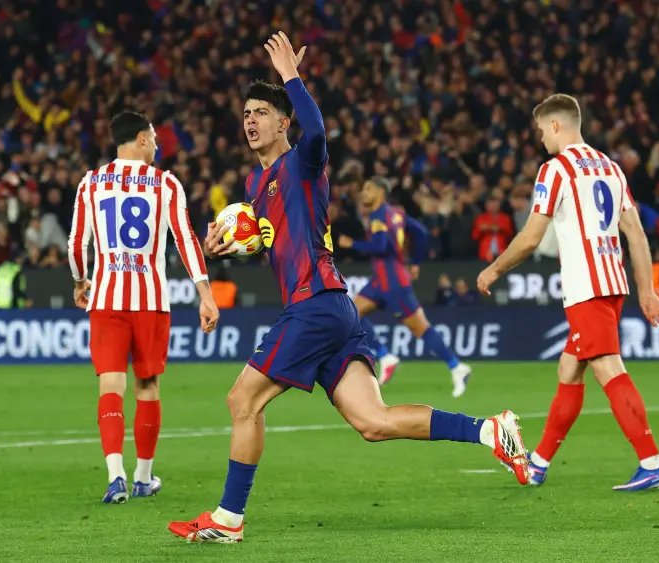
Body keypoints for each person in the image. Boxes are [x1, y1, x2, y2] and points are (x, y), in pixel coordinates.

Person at [167, 32, 529, 545]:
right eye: (246, 113)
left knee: (242, 400)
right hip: (332, 308)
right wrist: (226, 249)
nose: (250, 120)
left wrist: (291, 77)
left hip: (313, 305)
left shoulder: (303, 160)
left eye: (262, 112)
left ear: (283, 122)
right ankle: (492, 430)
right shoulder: (253, 185)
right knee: (374, 422)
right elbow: (270, 237)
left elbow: (316, 129)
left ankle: (228, 520)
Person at [477, 94, 659, 491]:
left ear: (555, 125)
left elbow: (531, 237)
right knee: (569, 368)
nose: (540, 139)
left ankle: (652, 462)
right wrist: (646, 290)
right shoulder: (610, 167)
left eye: (540, 131)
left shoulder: (555, 170)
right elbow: (635, 233)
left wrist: (494, 268)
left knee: (608, 368)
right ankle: (538, 463)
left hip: (586, 287)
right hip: (612, 283)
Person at [67, 111, 219, 504]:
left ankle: (114, 476)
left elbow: (77, 244)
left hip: (107, 299)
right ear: (140, 139)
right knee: (147, 386)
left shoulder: (91, 182)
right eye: (153, 137)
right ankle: (143, 477)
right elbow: (185, 239)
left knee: (110, 385)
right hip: (150, 301)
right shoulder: (165, 184)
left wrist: (81, 281)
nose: (156, 144)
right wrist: (205, 294)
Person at [337, 177, 472, 394]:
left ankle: (457, 367)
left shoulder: (378, 216)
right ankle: (385, 356)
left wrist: (352, 243)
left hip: (393, 283)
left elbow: (379, 246)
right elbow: (421, 232)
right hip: (381, 280)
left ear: (380, 193)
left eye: (368, 189)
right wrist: (416, 262)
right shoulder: (396, 213)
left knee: (420, 328)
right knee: (350, 313)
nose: (363, 193)